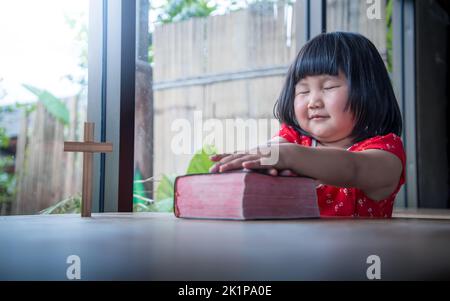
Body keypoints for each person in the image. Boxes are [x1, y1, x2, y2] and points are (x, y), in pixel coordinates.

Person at [209, 32, 406, 218]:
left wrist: (288, 156)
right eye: (303, 91)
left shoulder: (386, 150)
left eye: (329, 87)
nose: (313, 102)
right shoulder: (293, 138)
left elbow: (354, 168)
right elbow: (272, 151)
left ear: (369, 91)